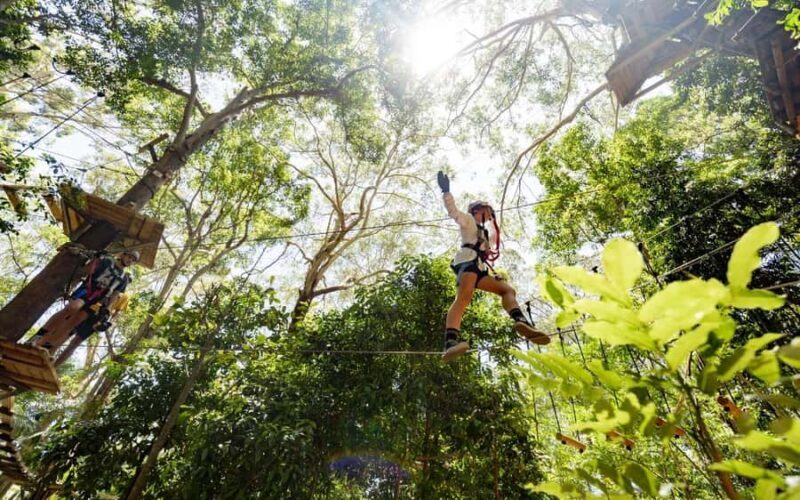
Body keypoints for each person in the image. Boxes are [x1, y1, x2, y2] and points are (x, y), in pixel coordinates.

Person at [437, 171, 550, 362]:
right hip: (467, 263)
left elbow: (485, 254)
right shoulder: (468, 220)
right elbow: (454, 212)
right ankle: (450, 343)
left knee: (507, 290)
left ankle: (521, 322)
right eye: (487, 211)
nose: (490, 216)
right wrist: (446, 192)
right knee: (463, 298)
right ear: (477, 210)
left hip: (479, 268)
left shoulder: (484, 234)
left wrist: (492, 271)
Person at [31, 249, 138, 355]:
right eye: (129, 257)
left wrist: (108, 310)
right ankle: (40, 334)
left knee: (73, 323)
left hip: (98, 300)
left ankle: (46, 344)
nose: (130, 260)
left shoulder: (124, 279)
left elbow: (115, 295)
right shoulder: (107, 261)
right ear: (123, 255)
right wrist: (96, 259)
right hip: (87, 290)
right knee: (72, 308)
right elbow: (86, 271)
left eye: (133, 260)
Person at [54, 292, 128, 367]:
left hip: (100, 317)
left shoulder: (125, 296)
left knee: (76, 341)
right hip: (91, 306)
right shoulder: (111, 286)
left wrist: (109, 323)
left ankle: (55, 365)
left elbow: (118, 312)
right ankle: (50, 351)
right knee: (67, 330)